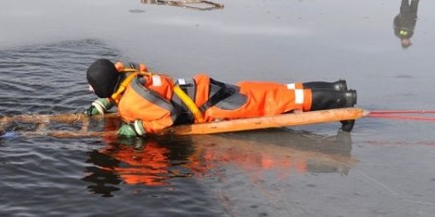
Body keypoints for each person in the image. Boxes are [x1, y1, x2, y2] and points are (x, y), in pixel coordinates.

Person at [85, 59, 357, 137]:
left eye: (92, 89)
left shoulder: (132, 102)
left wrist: (138, 127)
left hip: (213, 105)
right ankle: (336, 87)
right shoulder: (130, 74)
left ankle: (342, 101)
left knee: (276, 101)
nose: (89, 91)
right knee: (277, 91)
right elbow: (122, 70)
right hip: (206, 88)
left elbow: (168, 117)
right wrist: (106, 101)